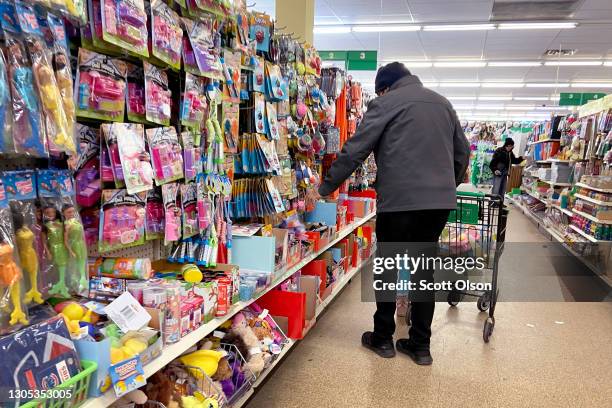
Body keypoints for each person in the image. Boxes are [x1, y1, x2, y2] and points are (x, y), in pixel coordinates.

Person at [318, 62, 470, 365]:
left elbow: (355, 149)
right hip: (437, 204)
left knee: (388, 267)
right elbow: (463, 152)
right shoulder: (443, 104)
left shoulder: (385, 103)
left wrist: (325, 187)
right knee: (423, 272)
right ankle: (420, 347)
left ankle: (383, 339)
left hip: (400, 201)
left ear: (385, 88)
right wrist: (444, 187)